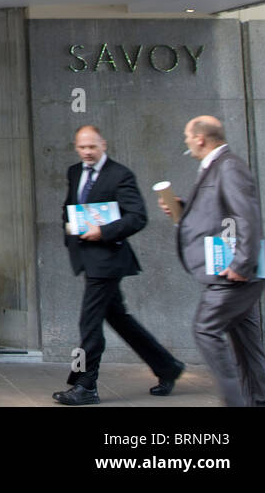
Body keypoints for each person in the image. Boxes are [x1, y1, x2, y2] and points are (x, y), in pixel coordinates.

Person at [53, 125, 183, 405]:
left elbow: (137, 217)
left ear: (104, 145)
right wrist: (69, 224)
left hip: (109, 259)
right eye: (82, 147)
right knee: (120, 319)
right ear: (76, 147)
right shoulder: (75, 171)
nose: (87, 152)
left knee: (89, 322)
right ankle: (167, 367)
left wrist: (103, 231)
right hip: (87, 256)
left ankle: (86, 385)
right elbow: (71, 205)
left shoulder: (120, 174)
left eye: (92, 147)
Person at [161, 116, 265, 407]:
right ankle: (261, 403)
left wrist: (241, 264)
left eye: (188, 135)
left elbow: (245, 216)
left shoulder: (229, 166)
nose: (186, 141)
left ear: (200, 138)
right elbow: (220, 212)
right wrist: (184, 207)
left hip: (234, 272)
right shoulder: (218, 166)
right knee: (248, 345)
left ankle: (235, 402)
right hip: (236, 269)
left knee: (205, 328)